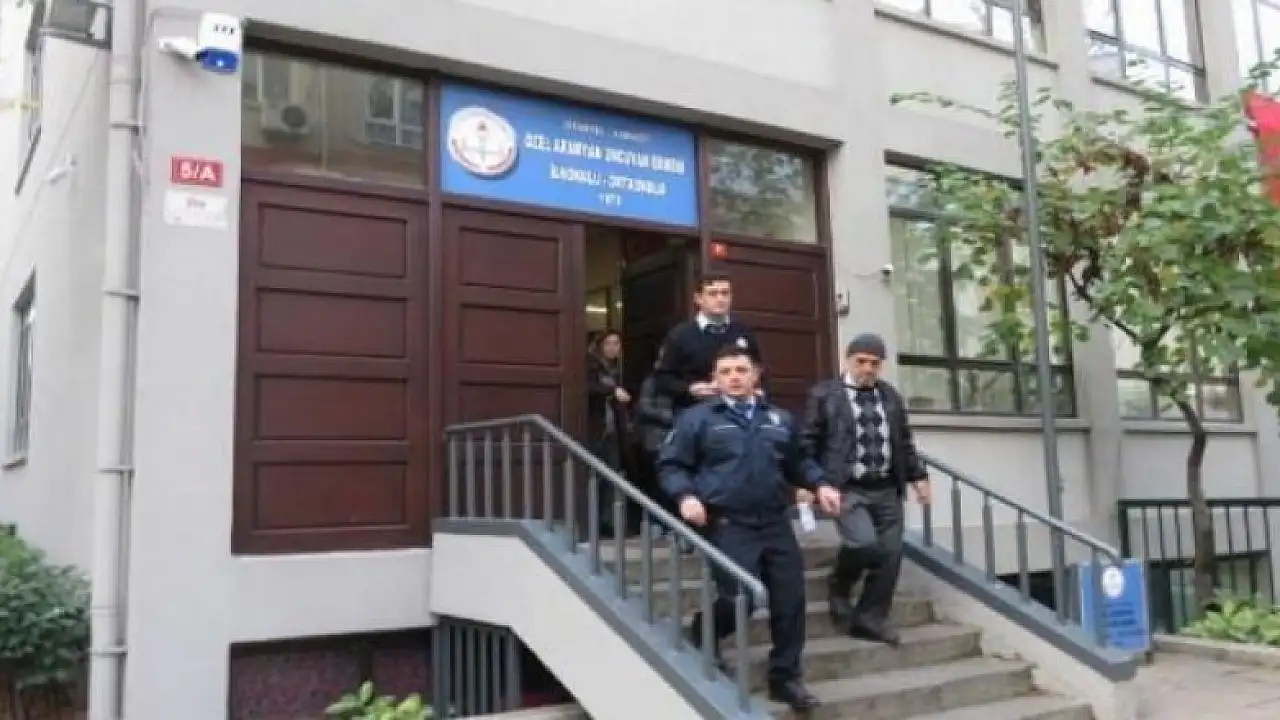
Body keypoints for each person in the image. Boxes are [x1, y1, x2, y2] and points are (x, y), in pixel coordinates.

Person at [659, 345, 840, 712]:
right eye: (725, 372)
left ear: (755, 374)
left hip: (774, 522)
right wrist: (685, 497)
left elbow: (799, 462)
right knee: (740, 595)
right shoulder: (698, 419)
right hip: (728, 522)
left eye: (741, 370)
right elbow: (672, 464)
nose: (734, 377)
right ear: (715, 378)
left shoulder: (778, 419)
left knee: (790, 600)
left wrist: (821, 484)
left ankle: (785, 678)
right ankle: (705, 631)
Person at [802, 333, 931, 646]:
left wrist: (919, 477)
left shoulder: (890, 397)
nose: (867, 369)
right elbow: (806, 442)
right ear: (848, 360)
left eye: (874, 363)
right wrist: (809, 483)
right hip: (846, 487)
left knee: (890, 554)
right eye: (861, 362)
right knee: (862, 543)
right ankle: (839, 585)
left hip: (886, 487)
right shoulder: (825, 395)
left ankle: (871, 617)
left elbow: (903, 441)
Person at [654, 272, 762, 415]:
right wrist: (690, 389)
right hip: (694, 413)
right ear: (698, 298)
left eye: (725, 293)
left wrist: (758, 390)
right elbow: (662, 379)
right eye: (713, 294)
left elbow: (759, 370)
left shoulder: (743, 332)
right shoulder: (680, 335)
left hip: (740, 413)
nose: (720, 299)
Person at [587, 330, 631, 535]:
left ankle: (608, 523)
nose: (613, 348)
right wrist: (612, 391)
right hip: (595, 429)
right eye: (608, 343)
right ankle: (591, 522)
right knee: (594, 476)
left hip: (612, 431)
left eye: (617, 343)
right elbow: (589, 388)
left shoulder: (615, 370)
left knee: (611, 477)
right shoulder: (590, 365)